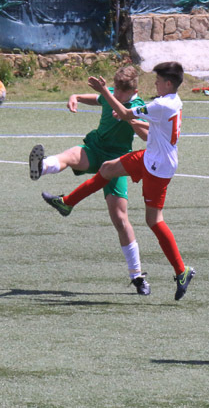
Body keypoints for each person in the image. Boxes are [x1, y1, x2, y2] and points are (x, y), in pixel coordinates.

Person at [42, 62, 195, 301]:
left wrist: (105, 92)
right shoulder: (172, 102)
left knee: (154, 220)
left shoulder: (161, 104)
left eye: (157, 80)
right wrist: (126, 115)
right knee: (107, 168)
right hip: (152, 157)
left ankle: (181, 270)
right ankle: (67, 202)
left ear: (168, 83)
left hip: (156, 166)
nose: (153, 83)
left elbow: (125, 113)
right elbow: (147, 127)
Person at [29, 66, 152, 295]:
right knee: (72, 155)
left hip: (118, 161)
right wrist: (75, 96)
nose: (116, 97)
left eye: (120, 94)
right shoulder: (111, 94)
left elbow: (147, 133)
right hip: (95, 148)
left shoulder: (138, 106)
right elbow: (97, 99)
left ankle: (137, 276)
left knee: (120, 218)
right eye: (114, 92)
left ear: (133, 90)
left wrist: (127, 118)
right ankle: (42, 166)